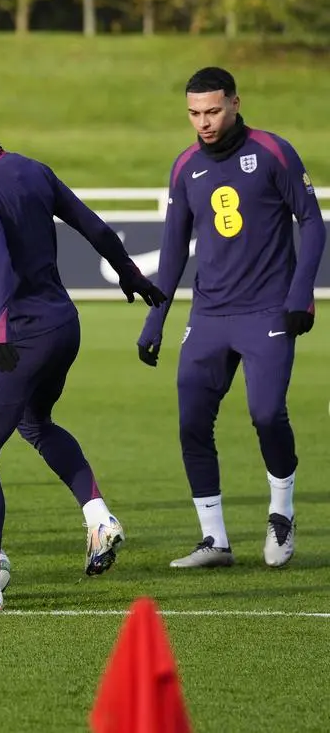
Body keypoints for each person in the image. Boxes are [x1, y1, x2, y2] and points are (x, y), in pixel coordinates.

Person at [0, 94, 165, 613]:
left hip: (22, 332)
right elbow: (94, 226)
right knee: (35, 422)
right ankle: (98, 516)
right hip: (63, 326)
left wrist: (1, 331)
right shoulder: (32, 169)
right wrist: (129, 273)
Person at [137, 67, 325, 570]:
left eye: (213, 110)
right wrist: (155, 320)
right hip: (209, 316)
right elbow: (174, 250)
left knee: (266, 414)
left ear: (236, 104)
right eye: (195, 113)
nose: (204, 122)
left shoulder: (272, 152)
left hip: (268, 311)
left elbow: (312, 221)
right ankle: (214, 540)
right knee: (193, 423)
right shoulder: (184, 167)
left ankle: (281, 513)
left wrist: (301, 296)